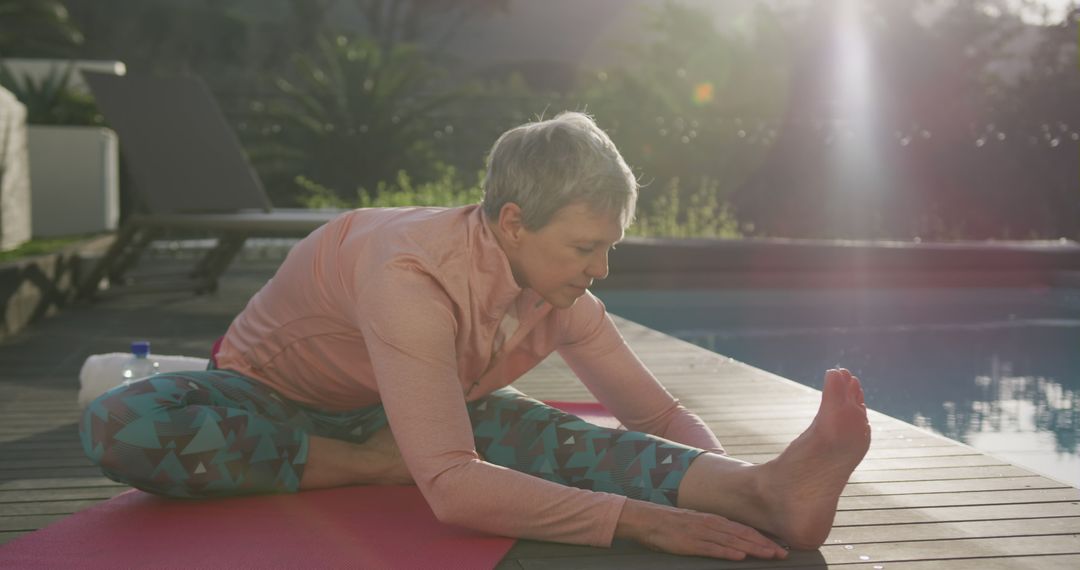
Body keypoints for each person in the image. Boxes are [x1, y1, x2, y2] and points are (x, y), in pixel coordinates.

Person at [81, 112, 870, 560]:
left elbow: (653, 417)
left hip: (414, 405)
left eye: (609, 248)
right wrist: (639, 519)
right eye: (583, 247)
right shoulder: (409, 276)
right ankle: (370, 465)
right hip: (270, 401)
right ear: (514, 222)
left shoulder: (555, 288)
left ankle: (771, 493)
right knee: (125, 423)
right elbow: (456, 492)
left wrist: (727, 483)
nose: (599, 270)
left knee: (567, 442)